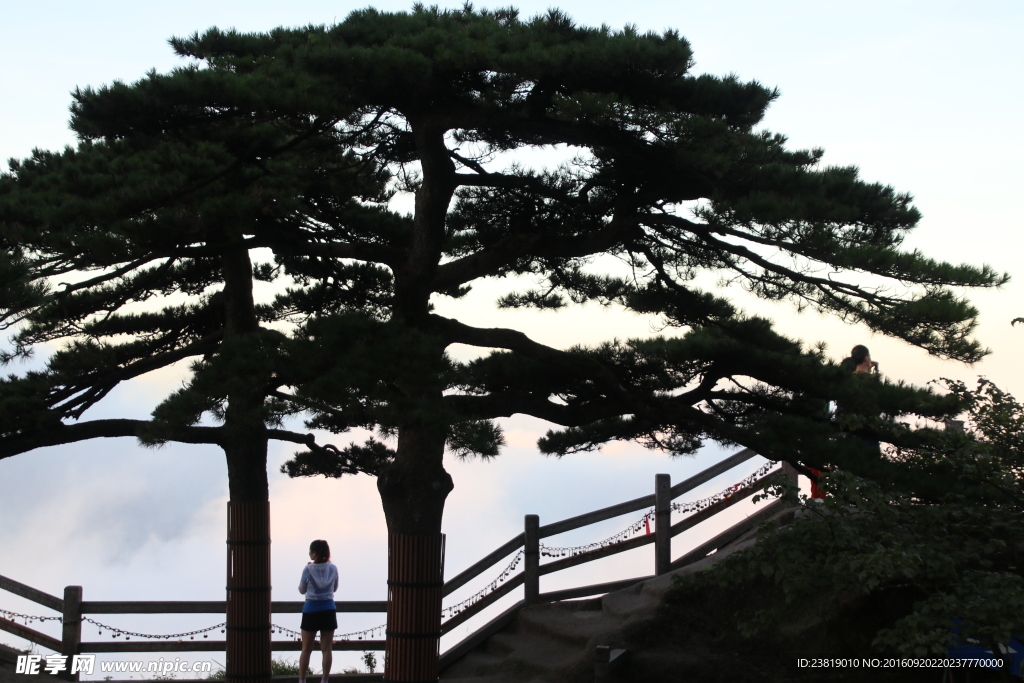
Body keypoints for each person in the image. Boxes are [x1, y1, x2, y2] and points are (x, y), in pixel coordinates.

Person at [298, 539, 338, 683]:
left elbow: (302, 590)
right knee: (326, 649)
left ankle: (302, 680)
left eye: (310, 551)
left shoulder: (308, 569)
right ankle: (324, 680)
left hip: (311, 610)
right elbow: (334, 588)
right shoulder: (333, 568)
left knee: (306, 649)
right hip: (328, 609)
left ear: (314, 553)